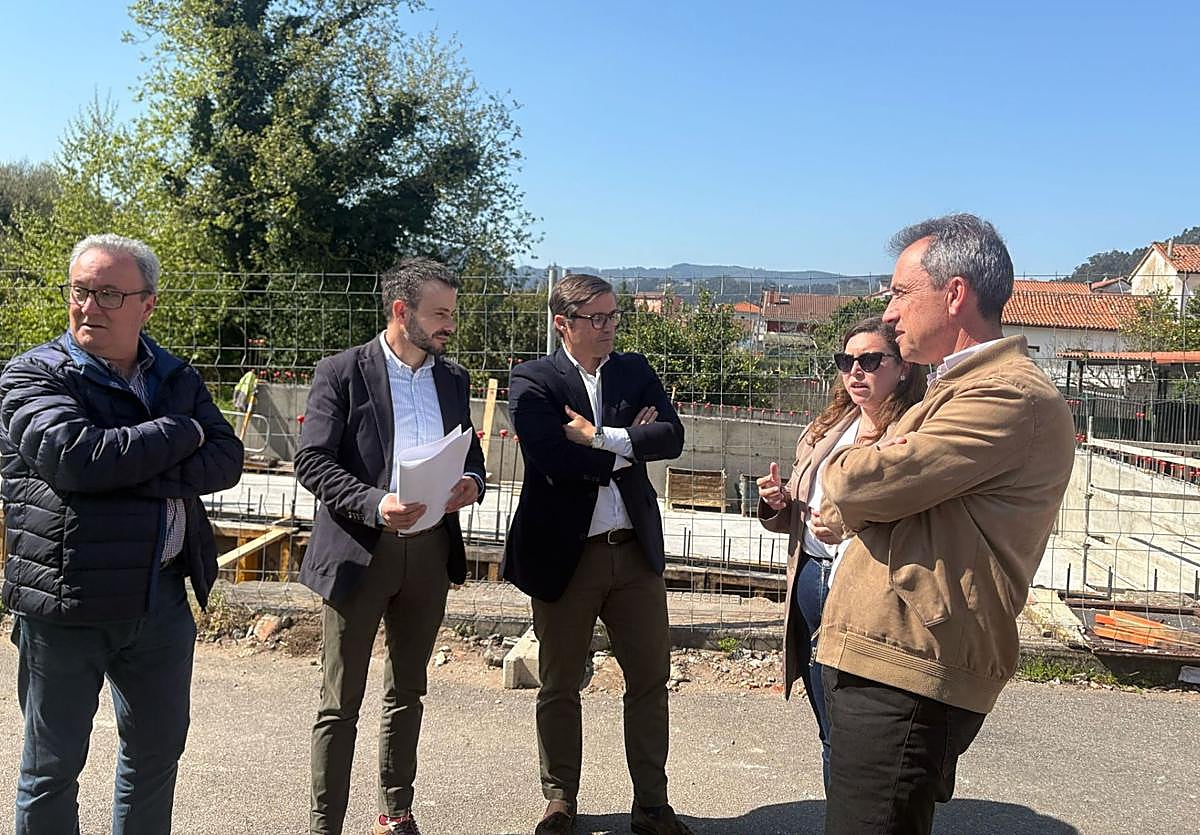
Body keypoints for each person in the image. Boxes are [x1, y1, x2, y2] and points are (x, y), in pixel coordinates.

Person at [813, 214, 1076, 834]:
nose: (891, 313)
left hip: (908, 662)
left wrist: (852, 473)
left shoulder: (1008, 397)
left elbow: (854, 481)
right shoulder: (950, 390)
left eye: (901, 293)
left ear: (954, 294)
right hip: (886, 653)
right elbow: (873, 490)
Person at [0, 233, 243, 834]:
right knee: (51, 769)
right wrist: (177, 434)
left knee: (155, 758)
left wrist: (124, 468)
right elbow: (76, 460)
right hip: (65, 600)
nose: (90, 307)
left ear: (147, 305)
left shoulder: (172, 375)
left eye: (110, 294)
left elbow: (226, 462)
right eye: (81, 291)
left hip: (161, 600)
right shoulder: (33, 374)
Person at [296, 257, 486, 835]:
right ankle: (323, 824)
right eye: (440, 314)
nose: (450, 325)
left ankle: (395, 812)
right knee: (340, 702)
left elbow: (472, 455)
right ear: (402, 312)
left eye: (452, 313)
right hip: (361, 551)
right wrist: (376, 503)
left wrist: (469, 485)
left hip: (429, 552)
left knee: (409, 689)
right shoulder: (341, 372)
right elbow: (311, 461)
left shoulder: (452, 379)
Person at [502, 274, 692, 835]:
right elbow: (550, 459)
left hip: (634, 554)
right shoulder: (533, 379)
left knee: (650, 680)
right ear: (563, 323)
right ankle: (559, 799)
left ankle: (652, 805)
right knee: (560, 682)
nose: (609, 327)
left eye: (613, 317)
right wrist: (631, 444)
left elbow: (673, 438)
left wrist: (602, 437)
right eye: (597, 318)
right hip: (567, 555)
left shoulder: (633, 371)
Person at [756, 316, 924, 788]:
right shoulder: (828, 427)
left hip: (867, 588)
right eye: (846, 361)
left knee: (860, 724)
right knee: (829, 722)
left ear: (903, 368)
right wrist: (778, 501)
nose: (856, 371)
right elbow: (802, 502)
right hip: (810, 577)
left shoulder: (914, 430)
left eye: (871, 360)